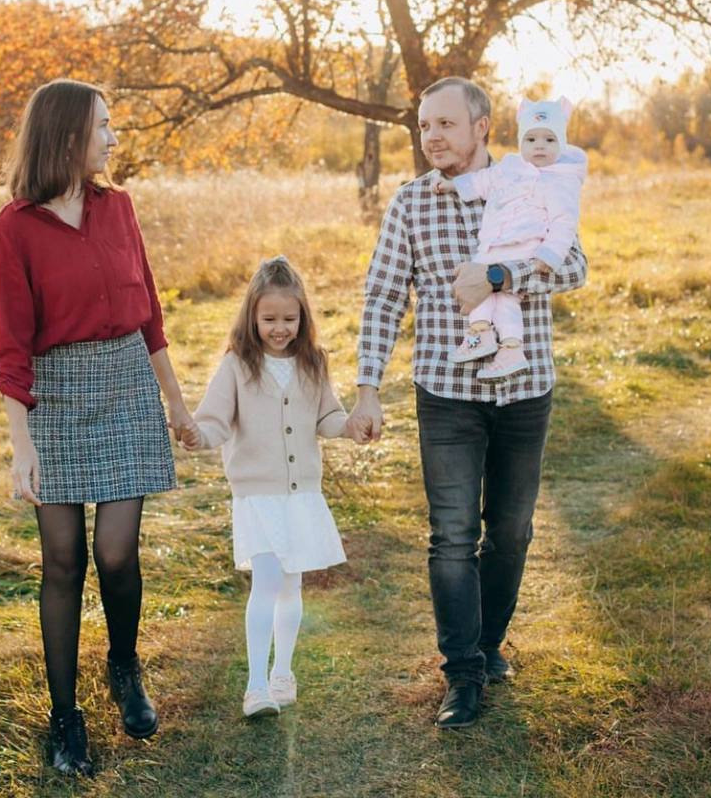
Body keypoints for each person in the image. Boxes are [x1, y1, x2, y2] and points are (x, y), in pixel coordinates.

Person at [351, 77, 588, 729]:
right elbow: (381, 296)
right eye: (425, 126)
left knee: (509, 531)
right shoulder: (410, 203)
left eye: (446, 125)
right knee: (452, 535)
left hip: (523, 390)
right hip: (446, 394)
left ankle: (486, 646)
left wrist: (501, 276)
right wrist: (368, 385)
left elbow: (574, 267)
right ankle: (462, 672)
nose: (433, 138)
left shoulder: (530, 183)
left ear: (484, 127)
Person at [0, 79, 196, 777]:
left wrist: (175, 402)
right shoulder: (15, 226)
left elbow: (151, 314)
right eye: (103, 127)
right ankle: (64, 716)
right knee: (63, 561)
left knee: (115, 553)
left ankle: (125, 667)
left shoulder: (120, 209)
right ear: (67, 135)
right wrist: (22, 446)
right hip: (55, 396)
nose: (113, 138)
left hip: (127, 382)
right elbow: (10, 346)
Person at [180, 256, 367, 718]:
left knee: (291, 586)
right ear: (252, 318)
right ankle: (255, 684)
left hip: (301, 495)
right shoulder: (237, 367)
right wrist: (197, 436)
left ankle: (284, 672)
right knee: (265, 583)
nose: (280, 328)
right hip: (258, 496)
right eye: (269, 320)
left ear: (303, 317)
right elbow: (214, 423)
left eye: (289, 318)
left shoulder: (312, 363)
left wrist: (352, 426)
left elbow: (328, 417)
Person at [433, 97, 587, 377]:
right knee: (477, 279)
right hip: (493, 242)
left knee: (506, 298)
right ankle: (481, 333)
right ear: (520, 142)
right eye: (531, 140)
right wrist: (454, 185)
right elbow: (483, 181)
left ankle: (512, 348)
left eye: (549, 140)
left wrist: (547, 257)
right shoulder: (509, 167)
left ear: (562, 143)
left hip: (524, 245)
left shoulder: (561, 181)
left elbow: (563, 223)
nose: (539, 146)